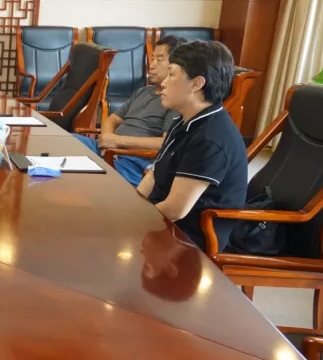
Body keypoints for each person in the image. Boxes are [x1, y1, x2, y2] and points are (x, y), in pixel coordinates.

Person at [137, 40, 248, 250]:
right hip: (162, 222)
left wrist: (133, 222)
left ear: (196, 84)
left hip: (188, 239)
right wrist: (132, 207)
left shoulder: (210, 138)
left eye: (171, 74)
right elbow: (154, 174)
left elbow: (175, 210)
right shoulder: (185, 120)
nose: (163, 83)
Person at [73, 35, 185, 186]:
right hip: (108, 150)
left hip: (133, 159)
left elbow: (165, 143)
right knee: (64, 141)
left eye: (159, 60)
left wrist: (118, 141)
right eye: (152, 58)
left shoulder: (174, 101)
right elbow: (112, 119)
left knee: (86, 180)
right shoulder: (143, 92)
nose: (152, 65)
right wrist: (108, 140)